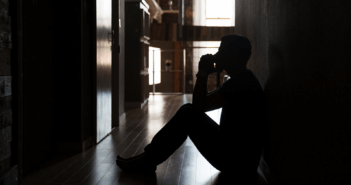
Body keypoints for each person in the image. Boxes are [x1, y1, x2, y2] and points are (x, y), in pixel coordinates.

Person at [116, 35, 268, 181]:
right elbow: (201, 104)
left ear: (233, 56)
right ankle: (147, 159)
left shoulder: (239, 85)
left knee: (188, 114)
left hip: (237, 164)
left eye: (221, 51)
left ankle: (147, 160)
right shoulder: (243, 80)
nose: (216, 54)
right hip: (243, 161)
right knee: (188, 110)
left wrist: (202, 73)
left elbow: (199, 105)